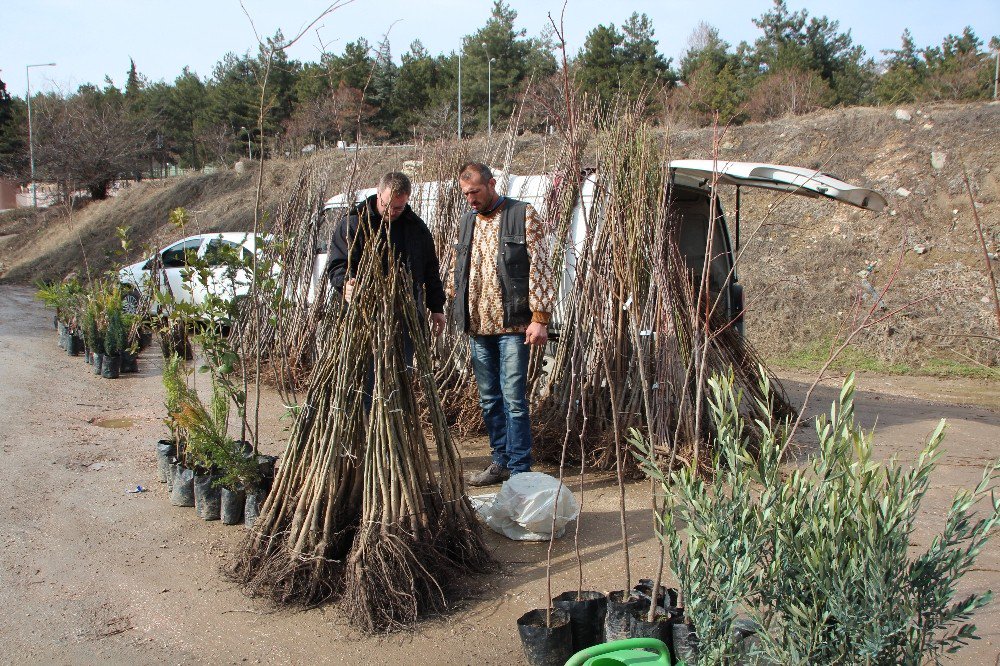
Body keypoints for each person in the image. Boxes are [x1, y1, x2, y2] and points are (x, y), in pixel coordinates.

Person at [451, 162, 555, 486]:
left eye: (476, 192)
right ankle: (500, 462)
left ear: (492, 184)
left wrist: (539, 318)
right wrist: (451, 306)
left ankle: (521, 469)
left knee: (514, 399)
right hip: (478, 328)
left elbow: (541, 265)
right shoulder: (466, 221)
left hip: (512, 327)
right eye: (466, 193)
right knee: (489, 399)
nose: (471, 199)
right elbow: (460, 269)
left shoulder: (522, 214)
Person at [327, 171, 447, 339]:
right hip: (364, 316)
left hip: (405, 316)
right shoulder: (353, 224)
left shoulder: (416, 228)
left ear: (407, 200)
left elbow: (431, 269)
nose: (391, 212)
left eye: (398, 207)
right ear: (378, 193)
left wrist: (436, 307)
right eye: (386, 205)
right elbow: (338, 265)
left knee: (404, 365)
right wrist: (346, 283)